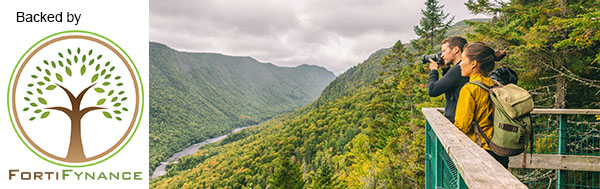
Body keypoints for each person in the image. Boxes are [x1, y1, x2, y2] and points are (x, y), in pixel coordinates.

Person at [454, 42, 509, 168]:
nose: (460, 64)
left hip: (480, 150)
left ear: (473, 63)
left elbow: (462, 126)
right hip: (499, 149)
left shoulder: (469, 89)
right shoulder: (495, 85)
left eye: (462, 60)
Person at [427, 36, 469, 123]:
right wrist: (446, 69)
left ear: (456, 49)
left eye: (444, 51)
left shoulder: (458, 69)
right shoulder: (464, 68)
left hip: (457, 125)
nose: (442, 55)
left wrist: (434, 71)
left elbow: (432, 90)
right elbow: (452, 85)